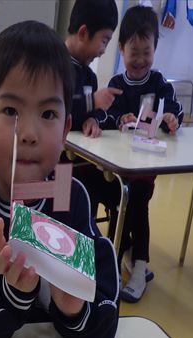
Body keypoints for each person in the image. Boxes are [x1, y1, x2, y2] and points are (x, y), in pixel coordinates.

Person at [0, 21, 119, 338]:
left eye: (48, 113)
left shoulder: (72, 197)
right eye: (11, 111)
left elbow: (103, 325)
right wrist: (11, 291)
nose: (28, 134)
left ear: (66, 129)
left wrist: (75, 308)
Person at [104, 5, 183, 302]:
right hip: (117, 167)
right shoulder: (116, 85)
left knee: (137, 203)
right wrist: (118, 119)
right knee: (122, 206)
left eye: (146, 52)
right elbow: (107, 116)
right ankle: (116, 261)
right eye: (133, 52)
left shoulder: (159, 84)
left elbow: (174, 111)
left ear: (155, 49)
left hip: (146, 167)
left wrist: (172, 119)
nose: (139, 59)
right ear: (121, 50)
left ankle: (139, 268)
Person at [64, 0, 122, 240]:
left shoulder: (90, 76)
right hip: (57, 165)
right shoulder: (54, 66)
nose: (104, 50)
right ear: (83, 33)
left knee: (115, 193)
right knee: (65, 210)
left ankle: (96, 241)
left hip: (84, 163)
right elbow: (57, 107)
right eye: (104, 40)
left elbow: (92, 113)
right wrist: (92, 102)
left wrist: (95, 119)